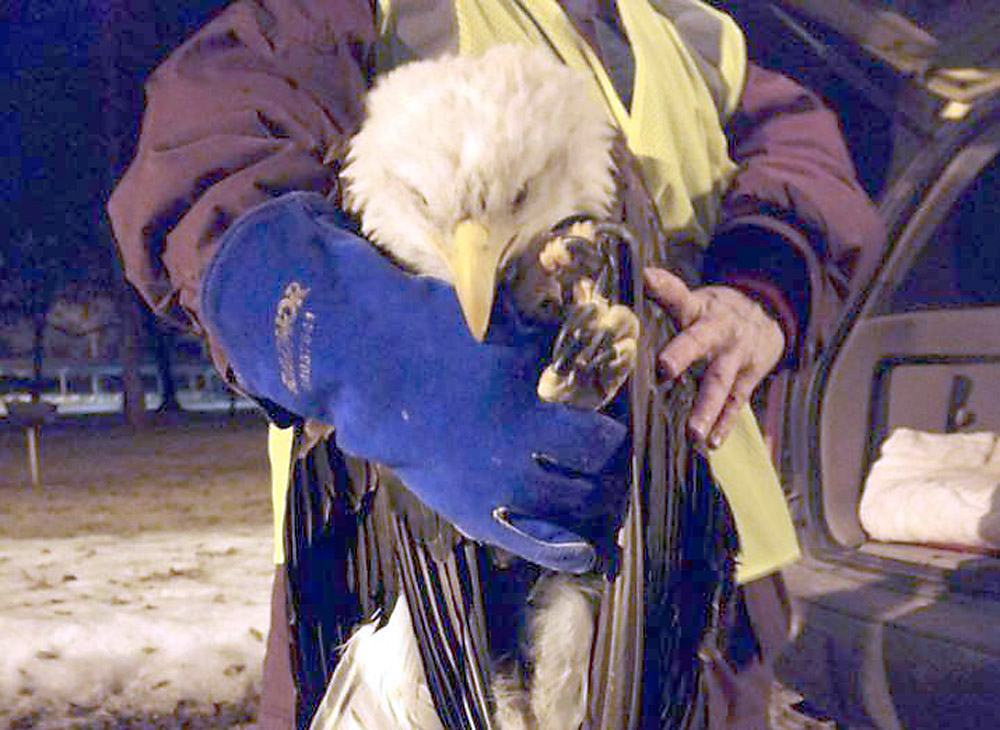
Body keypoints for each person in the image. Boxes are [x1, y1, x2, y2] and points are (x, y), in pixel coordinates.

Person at [107, 1, 884, 728]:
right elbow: (209, 150)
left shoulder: (693, 31)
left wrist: (760, 289)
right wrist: (359, 345)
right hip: (401, 576)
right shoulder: (358, 10)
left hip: (715, 571)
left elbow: (806, 165)